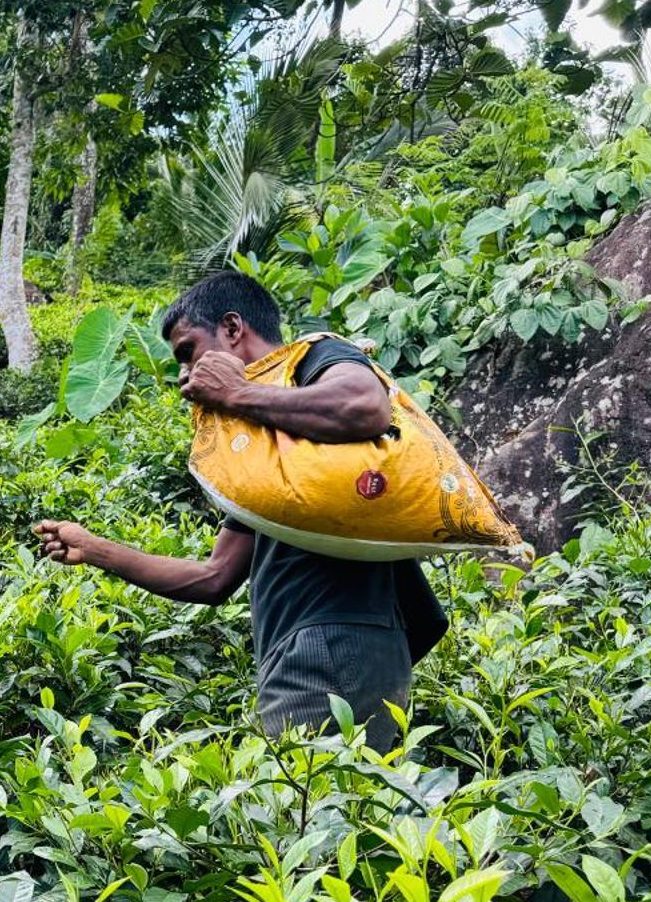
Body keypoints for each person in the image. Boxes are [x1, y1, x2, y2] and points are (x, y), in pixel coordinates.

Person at [33, 271, 447, 747]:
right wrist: (94, 549)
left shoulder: (314, 357)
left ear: (232, 329)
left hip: (328, 647)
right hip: (309, 650)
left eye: (189, 351)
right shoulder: (271, 460)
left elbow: (363, 407)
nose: (185, 376)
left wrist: (235, 393)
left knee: (311, 813)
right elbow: (215, 578)